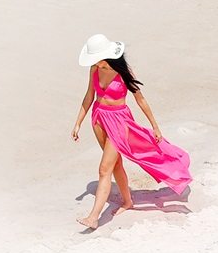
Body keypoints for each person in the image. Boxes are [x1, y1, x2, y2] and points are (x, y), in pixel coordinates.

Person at [70, 34, 191, 230]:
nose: (93, 62)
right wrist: (78, 123)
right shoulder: (95, 68)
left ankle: (93, 217)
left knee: (104, 169)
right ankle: (127, 202)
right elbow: (89, 96)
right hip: (98, 118)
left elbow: (140, 99)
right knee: (115, 164)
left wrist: (155, 125)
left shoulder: (124, 72)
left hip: (119, 122)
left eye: (95, 58)